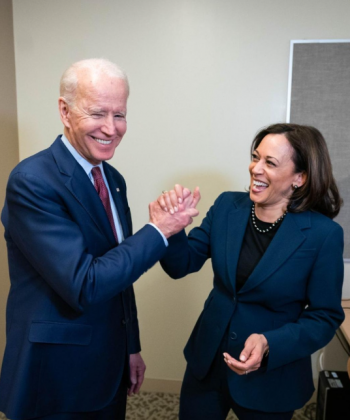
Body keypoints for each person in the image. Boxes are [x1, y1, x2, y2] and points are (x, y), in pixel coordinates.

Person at [0, 58, 199, 420]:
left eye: (119, 114)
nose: (111, 128)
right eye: (98, 113)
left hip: (107, 361)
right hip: (57, 372)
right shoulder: (32, 181)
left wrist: (130, 346)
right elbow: (85, 283)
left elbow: (119, 271)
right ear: (65, 110)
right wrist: (159, 230)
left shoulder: (112, 177)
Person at [158, 123, 345, 420]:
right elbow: (181, 265)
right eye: (256, 157)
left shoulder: (323, 235)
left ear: (300, 177)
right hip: (208, 363)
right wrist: (171, 229)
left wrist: (271, 343)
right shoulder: (226, 206)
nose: (255, 168)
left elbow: (325, 316)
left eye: (270, 163)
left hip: (271, 377)